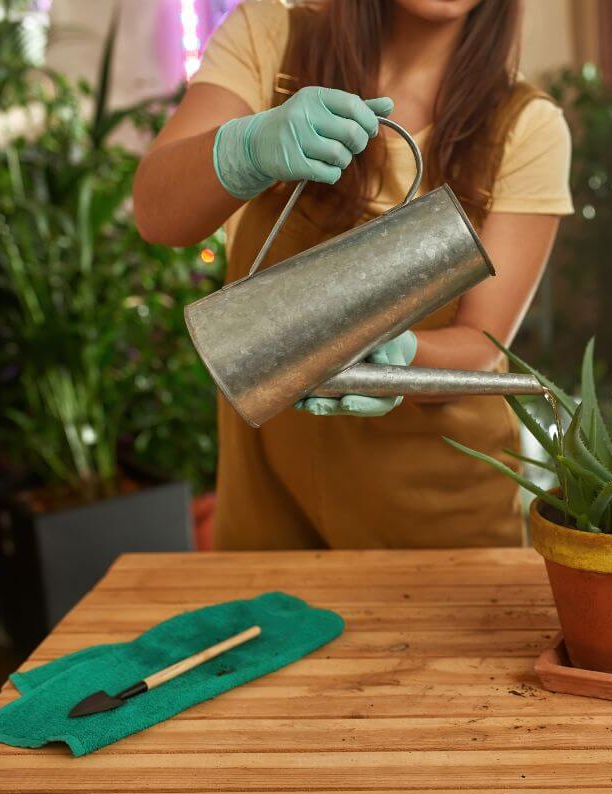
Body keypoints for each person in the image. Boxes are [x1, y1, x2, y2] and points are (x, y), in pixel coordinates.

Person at [133, 0, 572, 549]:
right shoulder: (273, 37)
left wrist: (401, 356)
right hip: (271, 498)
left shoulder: (525, 126)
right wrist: (246, 149)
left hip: (438, 514)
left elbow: (484, 345)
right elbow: (157, 214)